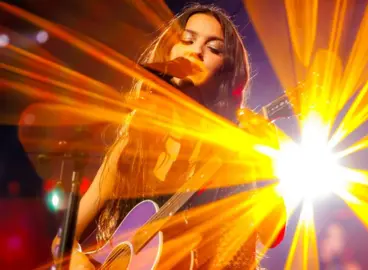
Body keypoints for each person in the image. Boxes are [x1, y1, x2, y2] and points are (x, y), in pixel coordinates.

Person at [52, 3, 286, 269]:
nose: (195, 51)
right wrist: (79, 262)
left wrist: (265, 165)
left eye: (213, 49)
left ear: (225, 74)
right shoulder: (134, 144)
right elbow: (63, 240)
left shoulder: (237, 149)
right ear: (170, 52)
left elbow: (272, 235)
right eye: (188, 39)